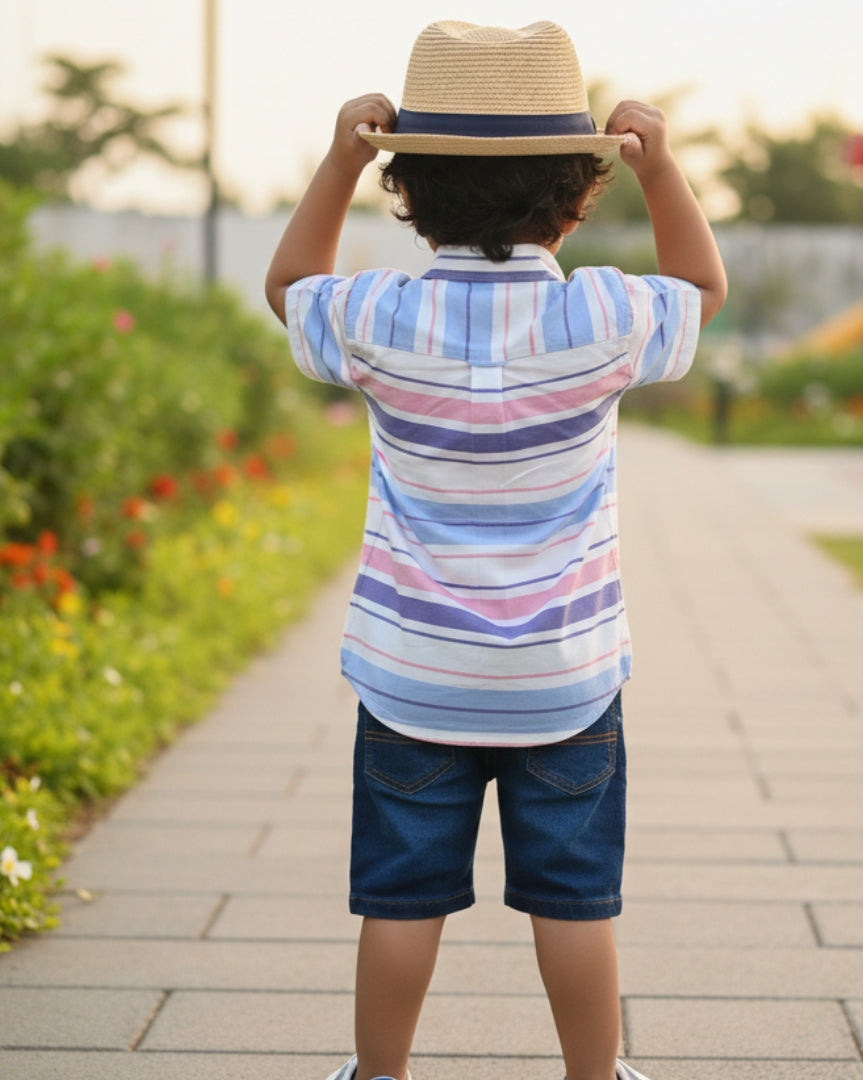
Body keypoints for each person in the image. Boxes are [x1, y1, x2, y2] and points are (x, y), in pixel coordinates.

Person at [265, 20, 726, 1080]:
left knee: (401, 900)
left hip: (413, 678)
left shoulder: (376, 315)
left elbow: (287, 286)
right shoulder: (608, 314)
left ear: (410, 194)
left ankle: (378, 1075)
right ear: (578, 195)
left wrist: (339, 162)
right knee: (574, 900)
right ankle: (593, 1077)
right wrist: (666, 176)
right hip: (563, 680)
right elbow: (701, 292)